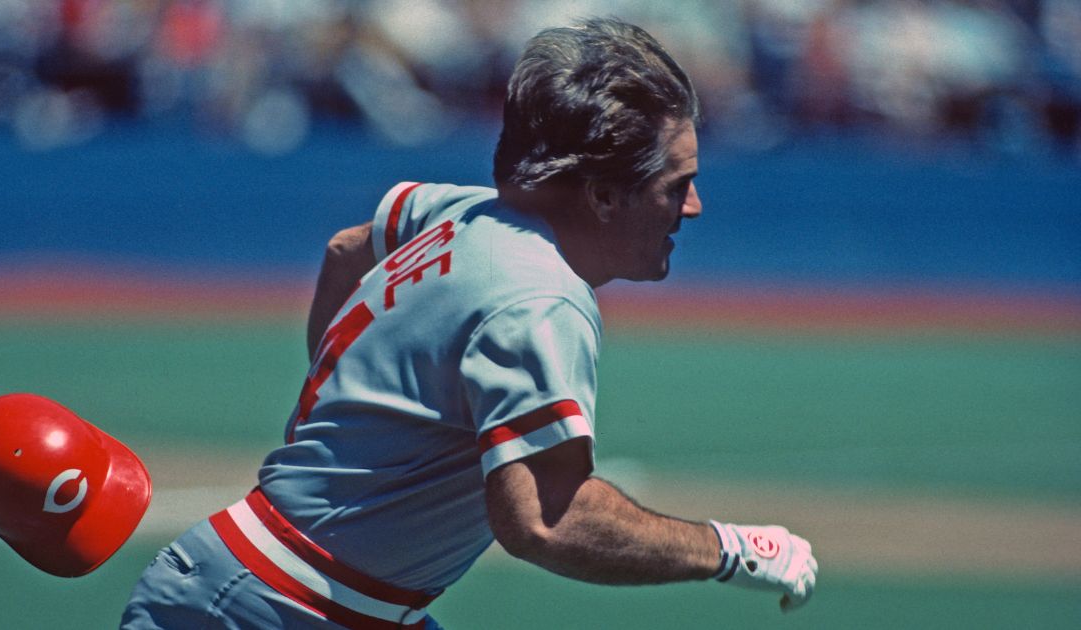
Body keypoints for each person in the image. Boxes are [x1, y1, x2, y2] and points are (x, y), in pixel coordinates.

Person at [121, 17, 817, 629]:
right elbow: (547, 520)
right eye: (676, 185)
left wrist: (344, 415)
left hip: (289, 593)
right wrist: (731, 550)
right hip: (273, 605)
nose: (693, 207)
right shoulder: (541, 299)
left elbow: (346, 249)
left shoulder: (467, 211)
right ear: (604, 193)